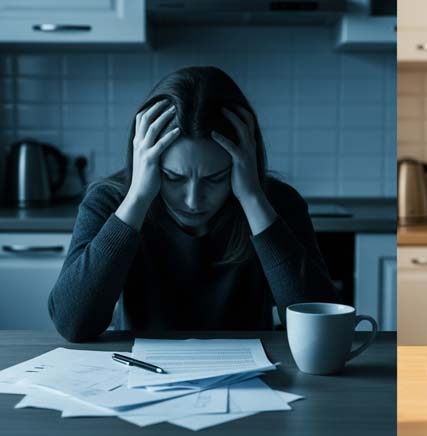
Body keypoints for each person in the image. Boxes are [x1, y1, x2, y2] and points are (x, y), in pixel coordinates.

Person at [49, 66, 341, 342]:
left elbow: (321, 329)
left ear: (243, 162)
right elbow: (73, 324)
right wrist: (137, 198)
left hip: (252, 380)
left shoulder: (276, 202)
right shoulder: (109, 201)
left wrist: (252, 198)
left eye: (215, 178)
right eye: (172, 177)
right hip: (142, 377)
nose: (192, 200)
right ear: (146, 161)